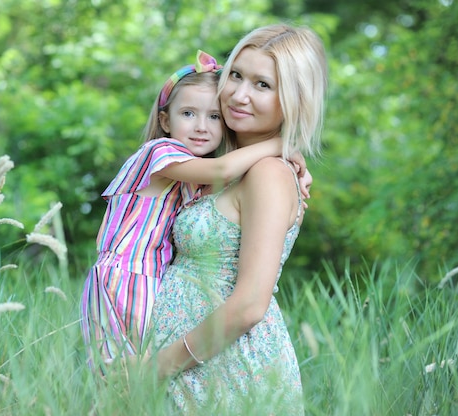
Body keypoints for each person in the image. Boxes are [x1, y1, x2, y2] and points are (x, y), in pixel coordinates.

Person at [80, 50, 307, 373]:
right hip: (125, 278)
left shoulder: (201, 171)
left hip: (149, 281)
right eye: (188, 113)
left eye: (214, 116)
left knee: (127, 380)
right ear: (165, 120)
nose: (202, 127)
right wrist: (283, 145)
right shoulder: (160, 154)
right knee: (119, 378)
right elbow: (224, 168)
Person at [148, 23, 328, 414]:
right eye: (235, 75)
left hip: (226, 372)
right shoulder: (218, 167)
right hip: (187, 366)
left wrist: (156, 369)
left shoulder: (269, 174)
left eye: (263, 85)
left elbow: (249, 305)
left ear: (294, 100)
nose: (239, 95)